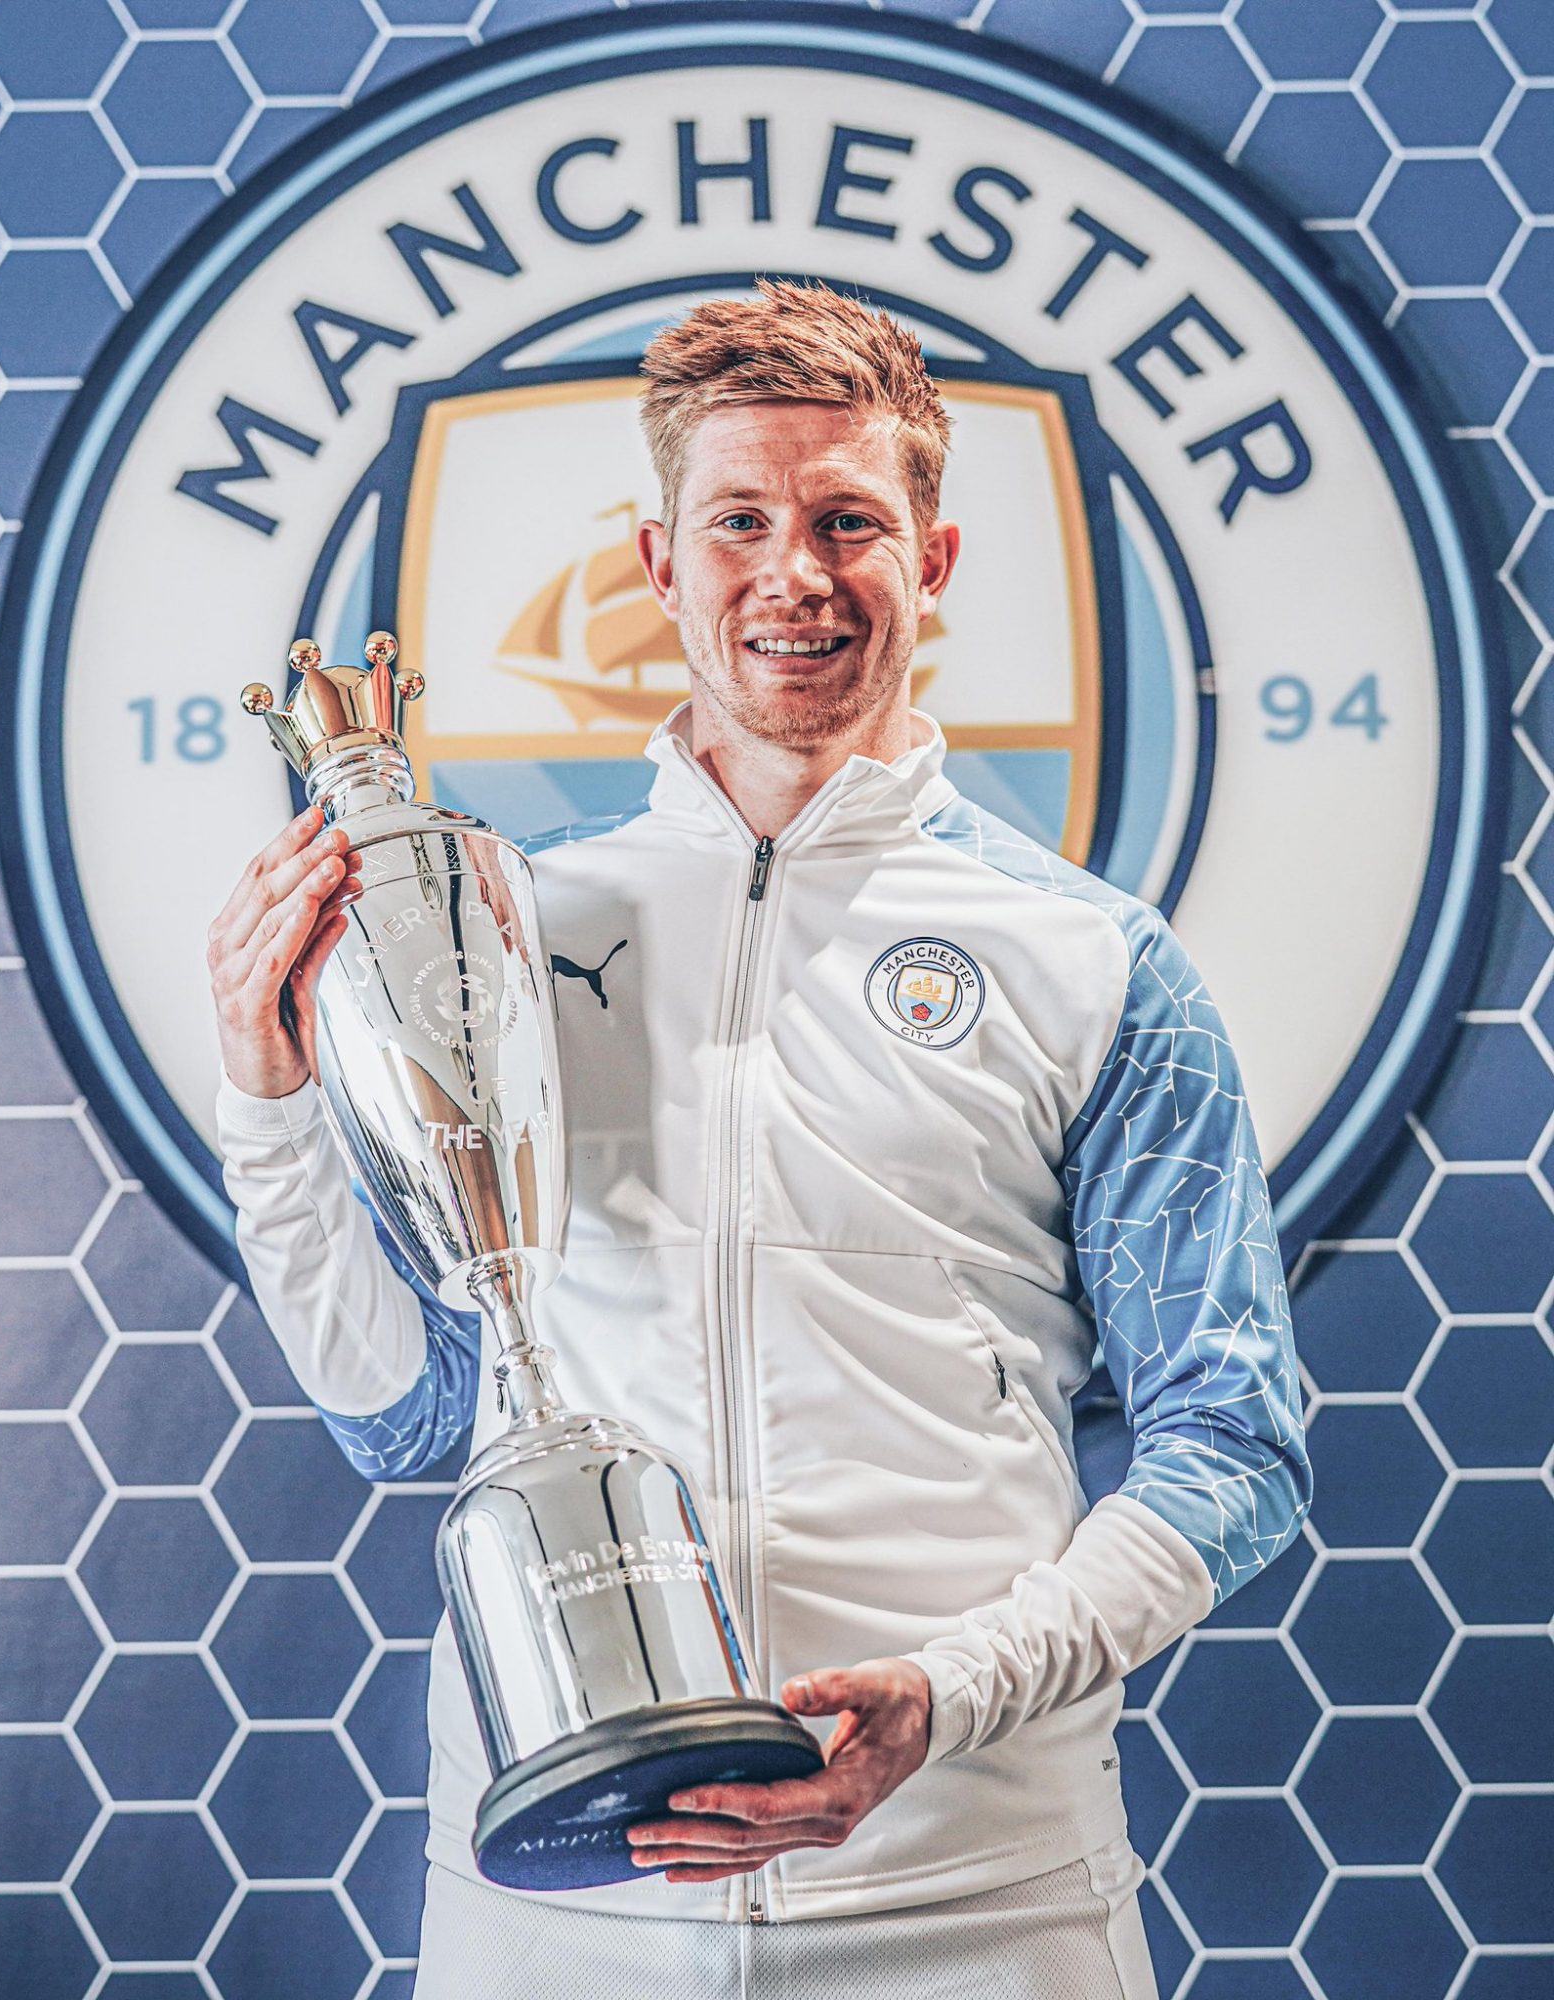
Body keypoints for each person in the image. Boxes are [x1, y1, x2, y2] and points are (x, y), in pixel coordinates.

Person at [208, 280, 1311, 1999]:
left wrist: (950, 1697)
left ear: (933, 561)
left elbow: (1235, 1445)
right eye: (739, 521)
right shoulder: (506, 931)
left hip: (979, 1891)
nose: (793, 572)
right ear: (660, 564)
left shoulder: (1099, 962)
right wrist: (267, 1097)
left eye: (848, 521)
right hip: (564, 1897)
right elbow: (405, 1413)